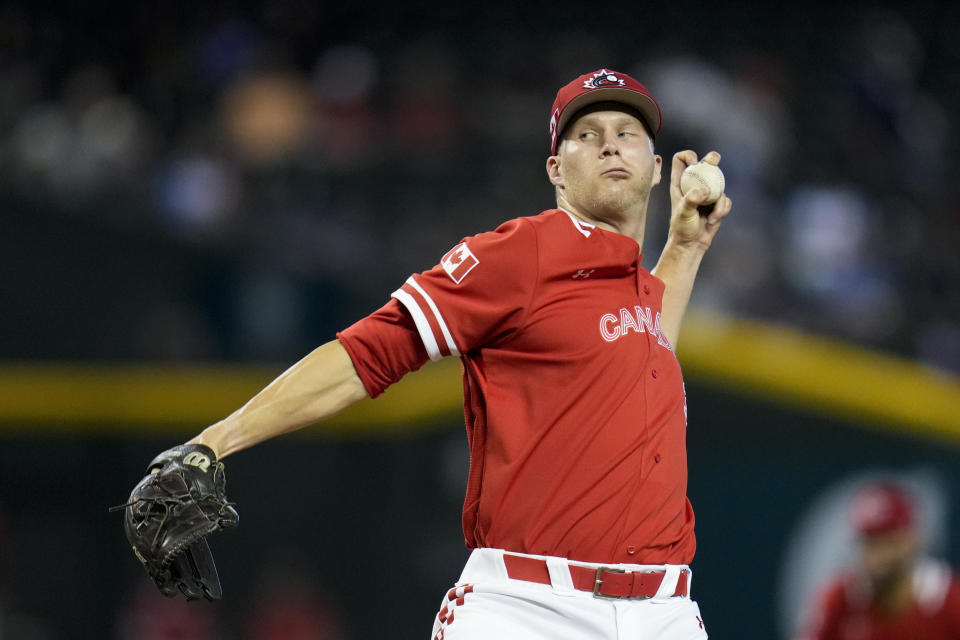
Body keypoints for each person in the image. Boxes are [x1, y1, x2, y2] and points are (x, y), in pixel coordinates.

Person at [147, 68, 732, 638]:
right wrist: (215, 440)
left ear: (656, 169)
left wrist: (686, 246)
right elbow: (368, 351)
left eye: (627, 133)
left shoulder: (636, 288)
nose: (610, 146)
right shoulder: (523, 252)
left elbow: (646, 343)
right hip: (531, 610)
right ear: (556, 169)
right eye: (587, 135)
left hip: (665, 611)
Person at [795, 480, 960, 640]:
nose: (877, 555)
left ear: (913, 542)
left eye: (887, 541)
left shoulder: (950, 602)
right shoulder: (840, 600)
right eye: (869, 543)